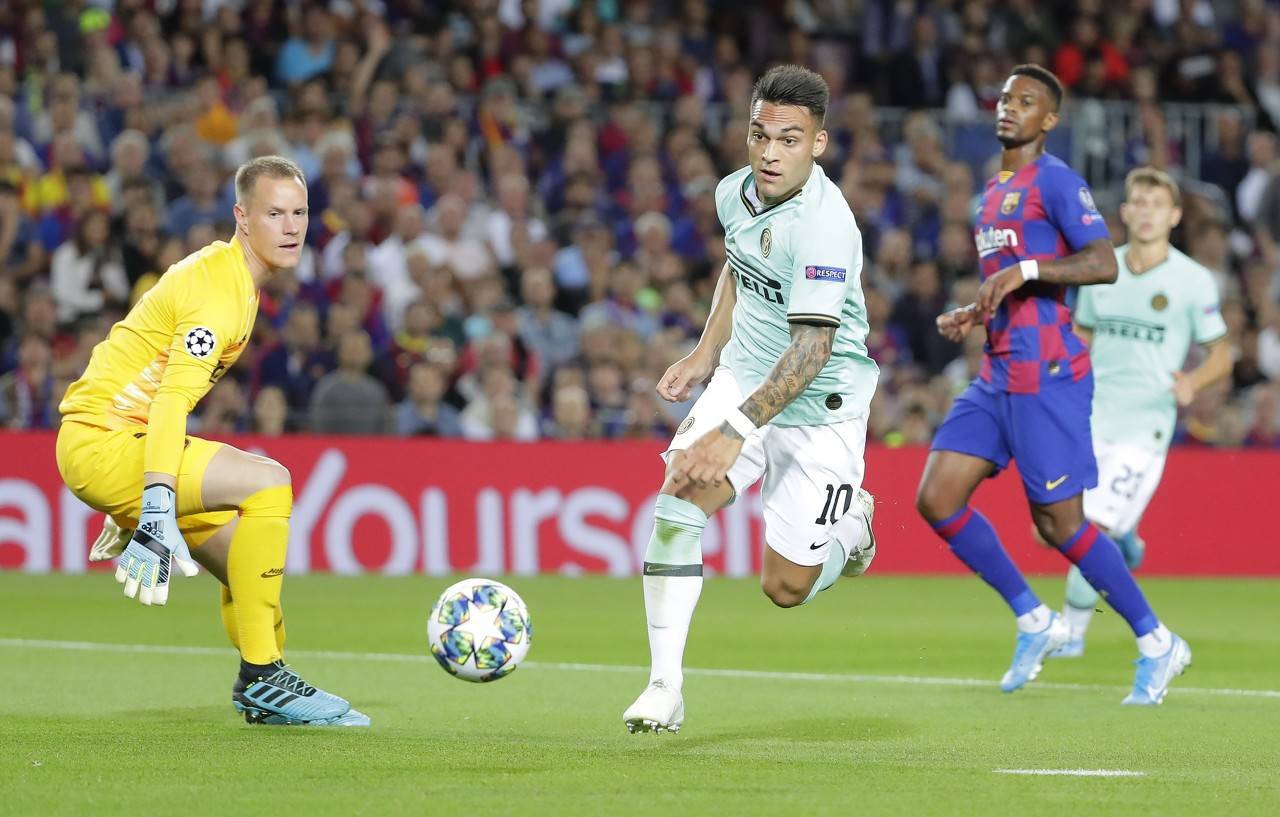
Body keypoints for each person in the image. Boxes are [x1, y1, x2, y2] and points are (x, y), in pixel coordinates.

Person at [56, 156, 369, 727]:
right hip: (105, 442)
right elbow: (169, 403)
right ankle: (262, 676)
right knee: (270, 482)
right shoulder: (220, 294)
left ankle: (268, 685)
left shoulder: (232, 278)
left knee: (246, 569)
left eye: (299, 213)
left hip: (119, 443)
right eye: (274, 214)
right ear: (242, 217)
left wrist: (134, 495)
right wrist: (154, 502)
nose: (292, 227)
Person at [915, 65, 1190, 706]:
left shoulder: (1058, 181)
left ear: (1049, 120)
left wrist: (1028, 270)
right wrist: (975, 311)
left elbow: (1102, 262)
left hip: (1048, 373)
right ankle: (1034, 619)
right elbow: (1009, 285)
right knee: (936, 498)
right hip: (997, 371)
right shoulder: (990, 193)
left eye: (1027, 101)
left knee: (1061, 525)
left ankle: (1157, 642)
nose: (1009, 107)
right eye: (1006, 98)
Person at [622, 65, 880, 734]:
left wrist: (735, 429)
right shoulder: (734, 192)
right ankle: (664, 686)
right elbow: (740, 269)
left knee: (785, 588)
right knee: (678, 500)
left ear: (818, 143)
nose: (770, 152)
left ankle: (854, 526)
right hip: (744, 375)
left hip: (820, 405)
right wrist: (707, 351)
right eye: (760, 135)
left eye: (789, 140)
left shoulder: (826, 226)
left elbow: (811, 351)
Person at [1051, 168, 1231, 656]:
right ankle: (1128, 539)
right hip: (1091, 416)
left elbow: (1221, 354)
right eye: (1140, 203)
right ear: (1126, 213)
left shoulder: (1193, 281)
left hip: (1145, 424)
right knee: (1056, 526)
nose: (1147, 212)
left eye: (1158, 204)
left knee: (1090, 530)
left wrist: (1193, 381)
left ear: (1174, 216)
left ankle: (1071, 634)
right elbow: (1083, 337)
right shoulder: (1100, 270)